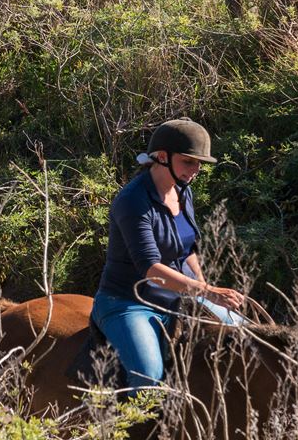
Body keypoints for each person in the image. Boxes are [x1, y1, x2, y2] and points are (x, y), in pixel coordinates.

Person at [92, 118, 247, 394]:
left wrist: (203, 290)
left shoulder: (182, 192)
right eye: (188, 161)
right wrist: (208, 292)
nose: (196, 170)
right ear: (162, 157)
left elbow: (186, 250)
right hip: (129, 303)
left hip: (175, 298)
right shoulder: (132, 201)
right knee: (149, 377)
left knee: (247, 338)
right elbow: (150, 270)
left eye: (199, 164)